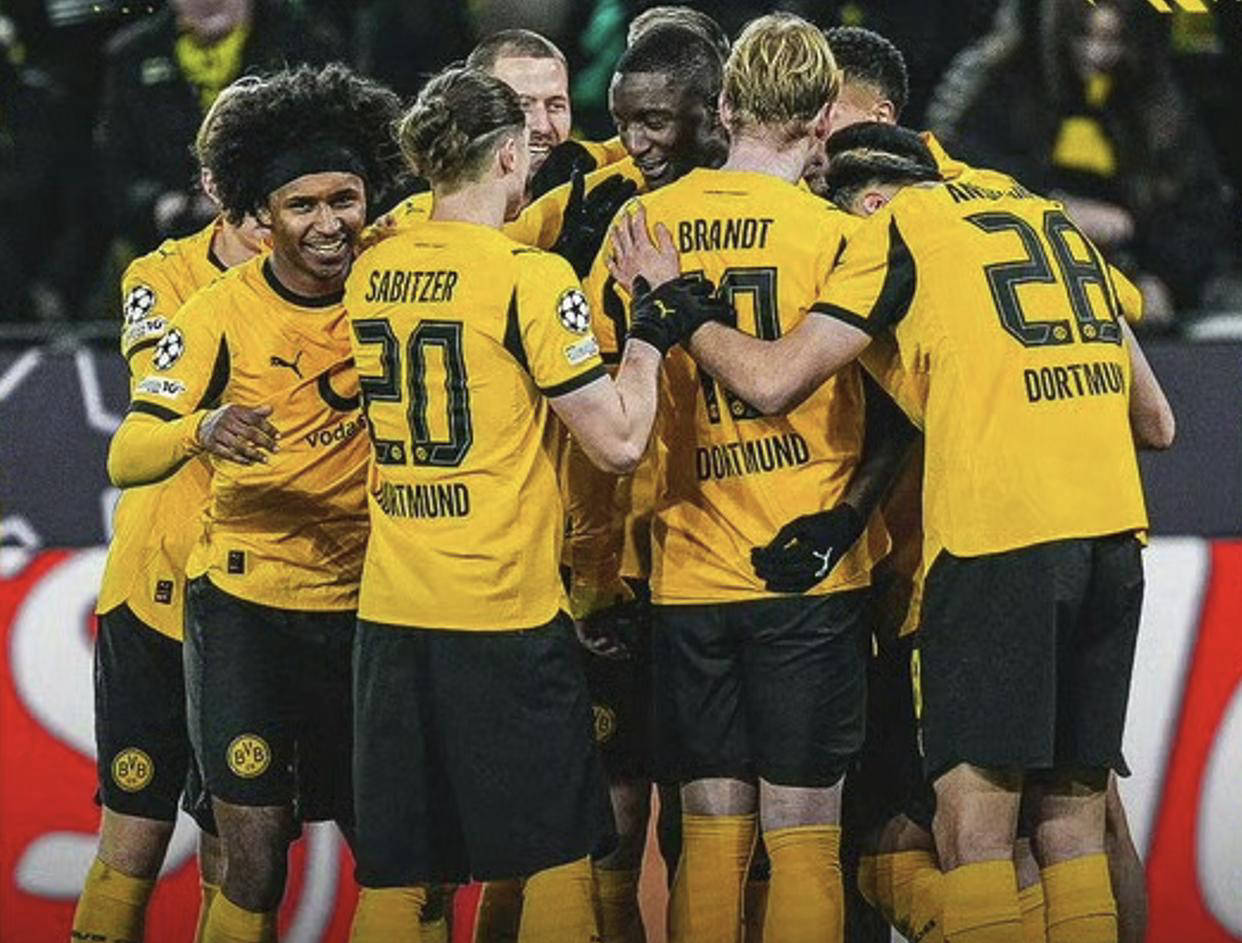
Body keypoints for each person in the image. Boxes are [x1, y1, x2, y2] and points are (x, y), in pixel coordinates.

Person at [614, 114, 1174, 943]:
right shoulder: (1046, 215)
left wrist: (679, 310)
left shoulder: (898, 230)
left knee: (976, 835)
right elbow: (1157, 421)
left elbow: (773, 380)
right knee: (1072, 824)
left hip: (998, 543)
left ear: (872, 202)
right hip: (1114, 539)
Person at [342, 64, 705, 943]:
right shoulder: (526, 277)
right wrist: (650, 333)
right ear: (510, 155)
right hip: (500, 608)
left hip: (392, 612)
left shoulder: (372, 271)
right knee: (556, 858)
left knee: (402, 873)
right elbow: (618, 440)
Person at [601, 14, 893, 942]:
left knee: (710, 837)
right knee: (804, 840)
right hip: (809, 570)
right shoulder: (844, 236)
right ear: (823, 117)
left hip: (687, 562)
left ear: (724, 106)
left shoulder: (643, 225)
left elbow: (605, 387)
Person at [106, 62, 406, 943]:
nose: (328, 223)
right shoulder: (212, 310)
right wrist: (200, 429)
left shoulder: (400, 272)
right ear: (260, 212)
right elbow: (128, 450)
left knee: (398, 851)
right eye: (301, 205)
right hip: (245, 610)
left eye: (344, 199)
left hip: (372, 602)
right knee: (254, 854)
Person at [72, 75, 267, 943]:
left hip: (258, 597)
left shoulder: (335, 275)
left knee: (241, 846)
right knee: (134, 838)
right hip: (155, 588)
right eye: (250, 180)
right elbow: (165, 389)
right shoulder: (160, 276)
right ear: (214, 185)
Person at [561, 21, 729, 943]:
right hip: (630, 558)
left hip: (721, 559)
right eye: (624, 121)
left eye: (656, 122)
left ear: (713, 112)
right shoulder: (599, 210)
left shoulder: (773, 207)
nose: (636, 143)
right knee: (615, 822)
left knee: (714, 827)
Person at [96, 0, 340, 252]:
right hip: (172, 243)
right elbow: (115, 165)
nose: (207, 1)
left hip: (285, 241)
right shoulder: (132, 56)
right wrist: (158, 204)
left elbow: (331, 148)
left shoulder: (306, 44)